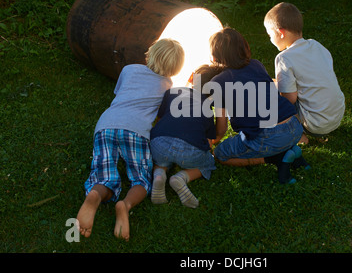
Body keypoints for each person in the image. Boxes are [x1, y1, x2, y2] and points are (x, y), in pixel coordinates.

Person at [76, 38, 185, 241]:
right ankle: (125, 205)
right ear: (176, 68)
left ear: (151, 53)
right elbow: (162, 116)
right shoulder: (168, 85)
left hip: (106, 124)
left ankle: (95, 195)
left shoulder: (129, 69)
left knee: (104, 175)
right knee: (141, 179)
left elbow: (119, 93)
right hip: (136, 131)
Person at [209, 27, 309, 184]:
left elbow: (221, 129)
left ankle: (276, 158)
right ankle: (290, 151)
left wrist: (212, 141)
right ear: (245, 47)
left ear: (214, 57)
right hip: (294, 126)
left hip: (268, 136)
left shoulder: (217, 83)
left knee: (221, 154)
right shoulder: (257, 65)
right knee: (272, 137)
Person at [264, 2, 345, 144]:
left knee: (270, 95)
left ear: (280, 32)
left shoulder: (284, 58)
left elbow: (289, 100)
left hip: (315, 124)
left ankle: (296, 135)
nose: (270, 39)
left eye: (270, 35)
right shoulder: (317, 46)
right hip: (336, 116)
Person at [150, 64, 223, 208]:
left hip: (159, 142)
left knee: (162, 157)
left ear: (191, 77)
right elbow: (208, 143)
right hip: (190, 151)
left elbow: (160, 120)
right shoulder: (207, 108)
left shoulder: (172, 92)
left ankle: (159, 173)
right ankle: (182, 177)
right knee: (208, 162)